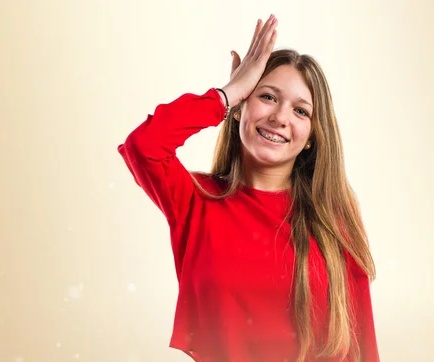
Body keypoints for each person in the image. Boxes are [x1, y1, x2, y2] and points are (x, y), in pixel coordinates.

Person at [117, 14, 380, 362]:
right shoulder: (196, 199)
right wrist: (226, 95)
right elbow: (144, 146)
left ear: (311, 139)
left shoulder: (334, 216)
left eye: (301, 111)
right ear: (241, 108)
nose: (280, 117)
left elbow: (362, 345)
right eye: (268, 97)